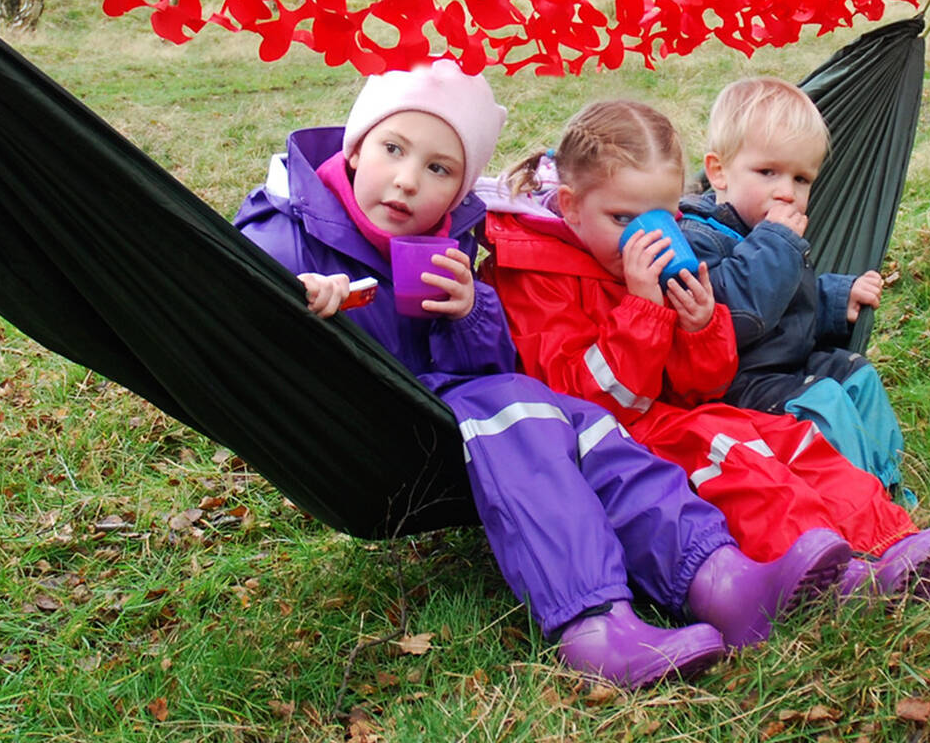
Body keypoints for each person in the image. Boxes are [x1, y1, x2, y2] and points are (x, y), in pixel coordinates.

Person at [233, 61, 855, 688]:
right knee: (518, 408)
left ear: (458, 188)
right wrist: (293, 292)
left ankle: (716, 577)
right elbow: (232, 299)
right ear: (358, 146)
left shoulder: (452, 239)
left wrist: (470, 310)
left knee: (591, 428)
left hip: (444, 407)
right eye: (393, 150)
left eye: (439, 169)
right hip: (357, 417)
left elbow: (487, 362)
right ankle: (593, 621)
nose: (406, 181)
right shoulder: (288, 223)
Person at [478, 98, 930, 598]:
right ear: (570, 206)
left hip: (680, 410)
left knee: (797, 440)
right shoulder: (533, 270)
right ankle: (838, 570)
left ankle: (903, 546)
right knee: (737, 458)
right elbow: (588, 401)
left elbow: (702, 383)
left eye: (665, 216)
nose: (643, 237)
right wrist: (641, 312)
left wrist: (699, 325)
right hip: (614, 434)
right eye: (623, 220)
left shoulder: (646, 256)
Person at [678, 76, 904, 494]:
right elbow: (741, 318)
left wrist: (836, 299)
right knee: (827, 402)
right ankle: (859, 505)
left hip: (787, 367)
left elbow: (791, 302)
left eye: (802, 179)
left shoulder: (770, 230)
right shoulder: (697, 238)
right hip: (736, 387)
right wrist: (776, 243)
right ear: (719, 172)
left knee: (858, 376)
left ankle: (887, 487)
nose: (787, 192)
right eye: (768, 172)